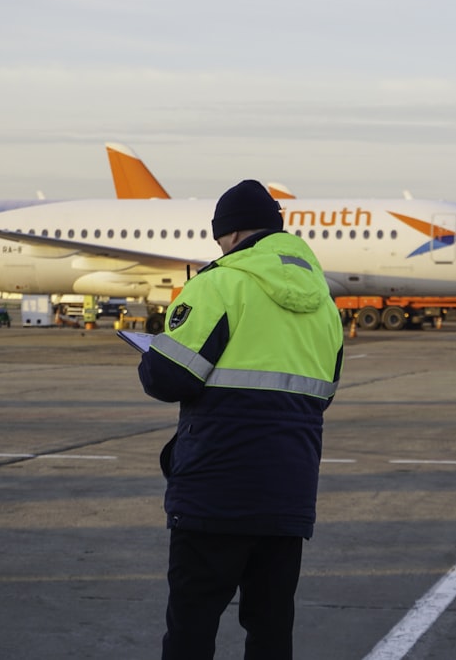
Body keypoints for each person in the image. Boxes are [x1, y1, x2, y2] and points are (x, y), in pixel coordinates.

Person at [137, 179, 344, 659]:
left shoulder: (218, 283)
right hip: (287, 495)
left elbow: (169, 379)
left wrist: (154, 350)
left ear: (229, 234)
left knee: (192, 624)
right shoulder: (326, 307)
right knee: (271, 628)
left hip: (215, 491)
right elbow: (323, 394)